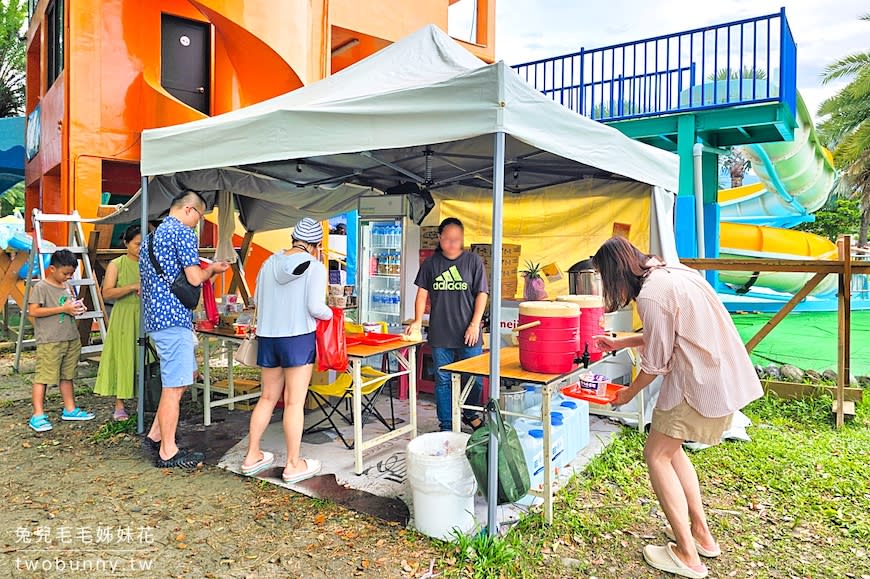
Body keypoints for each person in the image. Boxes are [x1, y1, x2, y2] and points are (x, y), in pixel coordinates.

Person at [591, 237, 762, 579]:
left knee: (656, 455)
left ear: (616, 273)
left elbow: (655, 363)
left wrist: (627, 393)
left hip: (697, 384)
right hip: (718, 375)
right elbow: (670, 331)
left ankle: (687, 555)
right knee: (672, 451)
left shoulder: (652, 295)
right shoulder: (671, 272)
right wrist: (621, 341)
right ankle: (701, 535)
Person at [140, 191, 229, 469]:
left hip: (156, 317)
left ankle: (156, 435)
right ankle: (168, 451)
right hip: (173, 318)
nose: (198, 223)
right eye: (200, 217)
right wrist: (213, 269)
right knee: (174, 387)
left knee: (182, 377)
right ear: (190, 210)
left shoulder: (150, 238)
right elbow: (193, 277)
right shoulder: (182, 232)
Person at [240, 217, 332, 483]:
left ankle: (252, 455)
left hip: (268, 337)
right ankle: (293, 464)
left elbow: (256, 300)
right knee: (294, 402)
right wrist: (331, 313)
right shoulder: (314, 267)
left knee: (267, 397)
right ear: (316, 245)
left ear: (293, 238)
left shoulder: (269, 262)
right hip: (297, 338)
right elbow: (316, 308)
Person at [406, 217, 488, 431]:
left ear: (462, 239)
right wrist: (416, 321)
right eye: (447, 239)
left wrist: (475, 324)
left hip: (469, 334)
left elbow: (482, 294)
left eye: (456, 239)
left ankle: (470, 414)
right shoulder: (431, 264)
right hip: (441, 334)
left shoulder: (473, 261)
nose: (452, 244)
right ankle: (447, 423)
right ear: (440, 238)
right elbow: (421, 295)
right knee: (443, 381)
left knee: (474, 379)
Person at [27, 249, 95, 432]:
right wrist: (62, 309)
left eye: (71, 273)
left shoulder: (66, 285)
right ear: (52, 269)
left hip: (70, 337)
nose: (68, 276)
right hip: (50, 340)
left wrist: (78, 307)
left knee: (68, 375)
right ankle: (38, 414)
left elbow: (68, 305)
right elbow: (33, 311)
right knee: (44, 377)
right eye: (65, 273)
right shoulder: (42, 287)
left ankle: (70, 408)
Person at [93, 225, 142, 420]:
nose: (141, 248)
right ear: (126, 243)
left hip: (146, 314)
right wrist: (132, 287)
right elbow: (107, 292)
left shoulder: (150, 263)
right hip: (124, 314)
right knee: (123, 356)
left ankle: (143, 401)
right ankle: (119, 404)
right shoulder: (117, 264)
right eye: (137, 244)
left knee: (144, 357)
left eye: (144, 244)